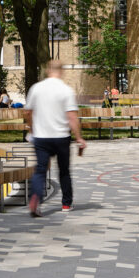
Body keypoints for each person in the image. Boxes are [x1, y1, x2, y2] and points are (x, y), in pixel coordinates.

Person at [24, 60, 86, 216]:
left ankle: (36, 198)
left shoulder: (36, 88)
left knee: (40, 170)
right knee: (64, 171)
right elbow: (72, 117)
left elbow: (27, 112)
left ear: (47, 70)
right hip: (61, 137)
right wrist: (79, 138)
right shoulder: (66, 90)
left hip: (41, 137)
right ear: (62, 71)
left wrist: (32, 129)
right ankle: (66, 204)